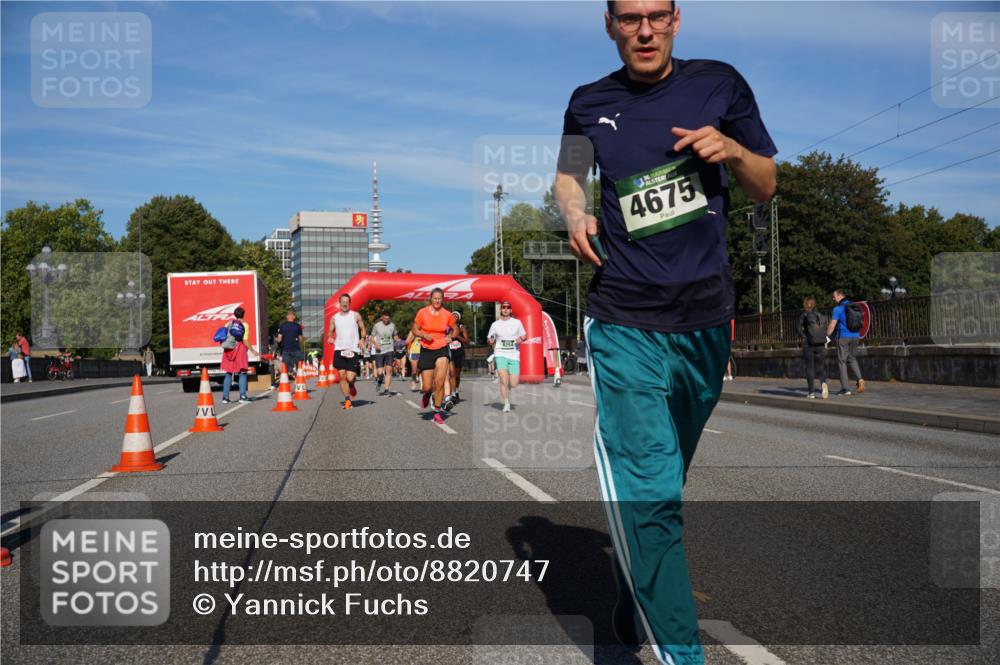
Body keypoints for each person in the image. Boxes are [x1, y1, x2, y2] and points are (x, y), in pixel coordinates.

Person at [553, 2, 777, 661]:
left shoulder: (720, 83)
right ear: (610, 25)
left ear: (677, 19)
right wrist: (574, 212)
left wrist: (732, 149)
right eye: (630, 18)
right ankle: (684, 654)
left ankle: (636, 587)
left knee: (664, 479)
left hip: (707, 322)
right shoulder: (586, 103)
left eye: (656, 16)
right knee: (649, 488)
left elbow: (765, 182)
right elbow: (569, 175)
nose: (644, 30)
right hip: (624, 319)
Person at [412, 288, 458, 424]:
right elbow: (414, 329)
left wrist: (451, 336)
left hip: (442, 348)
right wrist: (423, 335)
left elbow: (455, 328)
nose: (437, 300)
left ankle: (437, 411)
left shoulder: (447, 314)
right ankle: (427, 394)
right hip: (426, 349)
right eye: (435, 298)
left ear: (442, 299)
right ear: (431, 298)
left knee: (439, 381)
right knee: (427, 386)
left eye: (440, 298)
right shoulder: (422, 312)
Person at [486, 301, 527, 413]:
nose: (505, 309)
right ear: (501, 310)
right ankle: (506, 403)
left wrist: (521, 339)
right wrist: (490, 340)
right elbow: (489, 338)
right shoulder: (495, 324)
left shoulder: (517, 323)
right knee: (504, 380)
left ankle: (506, 387)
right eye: (503, 307)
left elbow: (524, 335)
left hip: (514, 355)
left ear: (511, 310)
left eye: (508, 307)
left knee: (514, 384)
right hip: (500, 354)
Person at [328, 293, 365, 410]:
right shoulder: (334, 318)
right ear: (339, 303)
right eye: (342, 301)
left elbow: (363, 328)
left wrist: (362, 339)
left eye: (347, 302)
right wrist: (330, 337)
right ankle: (347, 400)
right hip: (339, 349)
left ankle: (352, 384)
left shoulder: (356, 315)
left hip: (353, 349)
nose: (344, 303)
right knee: (342, 376)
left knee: (350, 377)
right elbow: (330, 331)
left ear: (350, 303)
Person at [826, 289, 865, 396]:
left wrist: (826, 336)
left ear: (839, 296)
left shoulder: (838, 309)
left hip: (843, 337)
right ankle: (860, 379)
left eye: (834, 296)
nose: (833, 299)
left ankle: (845, 388)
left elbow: (832, 325)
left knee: (842, 361)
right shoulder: (854, 306)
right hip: (855, 336)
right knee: (852, 358)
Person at [220, 306, 258, 403]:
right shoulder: (244, 325)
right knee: (242, 372)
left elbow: (223, 336)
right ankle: (242, 396)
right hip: (240, 349)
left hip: (228, 350)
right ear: (243, 315)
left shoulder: (228, 323)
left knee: (228, 373)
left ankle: (225, 398)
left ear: (235, 314)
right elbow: (245, 340)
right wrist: (253, 351)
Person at [800, 297, 829, 399]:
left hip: (808, 344)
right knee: (821, 367)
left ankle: (811, 392)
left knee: (809, 367)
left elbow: (799, 330)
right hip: (821, 344)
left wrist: (804, 336)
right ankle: (823, 383)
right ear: (814, 304)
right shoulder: (820, 315)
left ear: (805, 304)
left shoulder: (804, 315)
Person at [371, 312, 398, 396]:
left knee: (388, 370)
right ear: (382, 317)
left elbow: (395, 335)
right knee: (379, 372)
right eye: (385, 318)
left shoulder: (392, 325)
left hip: (389, 350)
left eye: (388, 319)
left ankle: (386, 389)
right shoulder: (377, 325)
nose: (386, 320)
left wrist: (397, 339)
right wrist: (376, 344)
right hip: (379, 351)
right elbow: (371, 337)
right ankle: (379, 380)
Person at [447, 310, 470, 403]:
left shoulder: (462, 328)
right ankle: (450, 394)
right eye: (453, 316)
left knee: (457, 375)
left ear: (459, 319)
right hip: (449, 352)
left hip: (459, 353)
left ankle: (456, 391)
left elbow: (467, 341)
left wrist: (457, 336)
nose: (454, 317)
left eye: (456, 316)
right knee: (450, 373)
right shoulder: (447, 328)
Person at [276, 310, 305, 378]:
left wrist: (276, 340)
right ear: (294, 317)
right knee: (299, 368)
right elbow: (300, 339)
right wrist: (297, 342)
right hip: (296, 349)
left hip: (286, 350)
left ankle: (284, 382)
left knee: (285, 369)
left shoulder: (282, 326)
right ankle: (299, 382)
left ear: (287, 317)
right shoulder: (298, 326)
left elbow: (279, 339)